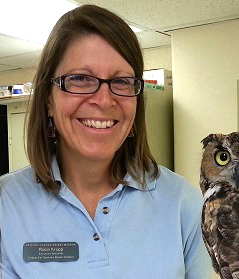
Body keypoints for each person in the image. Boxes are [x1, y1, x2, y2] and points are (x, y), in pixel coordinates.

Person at [0, 4, 211, 279]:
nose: (103, 100)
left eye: (122, 81)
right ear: (48, 100)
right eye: (79, 79)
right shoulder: (7, 203)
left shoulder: (184, 204)